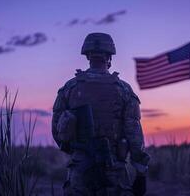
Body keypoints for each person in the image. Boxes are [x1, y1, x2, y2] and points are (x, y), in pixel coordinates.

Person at [52, 32, 150, 196]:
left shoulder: (70, 88)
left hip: (80, 170)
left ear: (88, 55)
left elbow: (57, 130)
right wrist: (140, 172)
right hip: (114, 170)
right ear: (109, 56)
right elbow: (134, 134)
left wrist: (78, 152)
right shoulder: (123, 89)